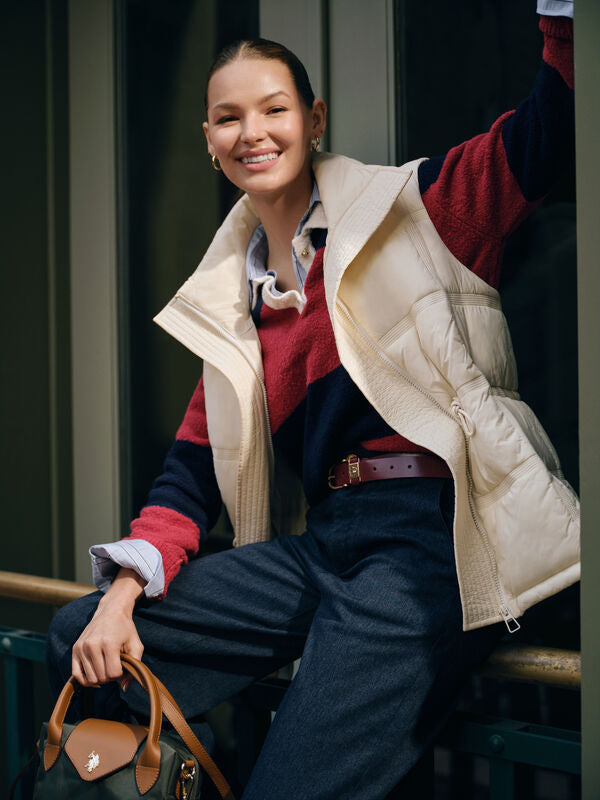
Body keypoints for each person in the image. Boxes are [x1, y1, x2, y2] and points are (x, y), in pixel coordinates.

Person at [47, 2, 578, 797]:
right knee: (77, 633)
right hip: (328, 542)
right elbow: (186, 482)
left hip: (433, 537)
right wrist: (121, 594)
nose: (252, 133)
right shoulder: (236, 308)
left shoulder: (415, 207)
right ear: (209, 141)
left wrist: (561, 20)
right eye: (229, 118)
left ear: (314, 120)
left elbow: (546, 131)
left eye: (274, 109)